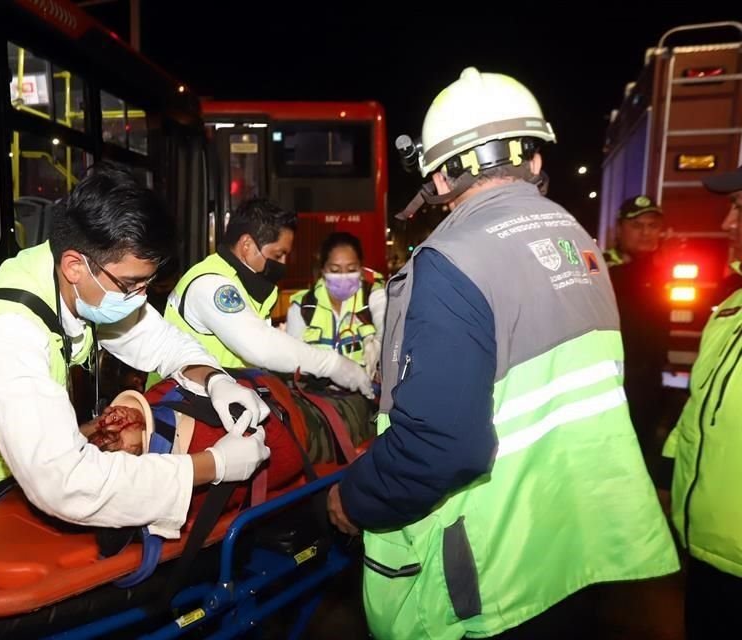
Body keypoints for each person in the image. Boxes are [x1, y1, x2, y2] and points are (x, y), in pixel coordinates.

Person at [326, 67, 678, 639]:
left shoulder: (448, 263)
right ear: (536, 161)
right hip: (574, 550)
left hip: (495, 575)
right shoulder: (576, 239)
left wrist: (354, 495)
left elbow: (437, 447)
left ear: (439, 178)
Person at [0, 162, 271, 540]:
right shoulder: (4, 335)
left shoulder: (74, 282)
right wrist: (213, 466)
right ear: (76, 265)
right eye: (131, 284)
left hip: (4, 494)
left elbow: (161, 340)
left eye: (146, 284)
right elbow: (66, 483)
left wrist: (213, 380)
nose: (139, 297)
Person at [162, 198, 373, 397]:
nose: (283, 263)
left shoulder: (245, 284)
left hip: (216, 396)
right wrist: (332, 364)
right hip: (178, 404)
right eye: (278, 255)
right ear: (247, 246)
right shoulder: (210, 284)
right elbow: (259, 345)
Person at [663, 164, 742, 640]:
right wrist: (670, 475)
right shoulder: (731, 310)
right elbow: (701, 415)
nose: (729, 224)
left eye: (739, 208)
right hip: (708, 554)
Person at [604, 196, 669, 479]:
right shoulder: (601, 269)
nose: (646, 233)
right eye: (637, 225)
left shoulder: (667, 271)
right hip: (613, 379)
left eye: (652, 226)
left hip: (652, 381)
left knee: (646, 448)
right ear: (619, 229)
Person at [286, 232, 385, 377]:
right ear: (323, 270)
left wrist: (378, 346)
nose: (344, 276)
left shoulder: (374, 297)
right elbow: (292, 360)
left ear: (361, 270)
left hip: (366, 394)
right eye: (335, 270)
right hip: (315, 396)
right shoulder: (303, 307)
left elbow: (388, 326)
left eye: (351, 269)